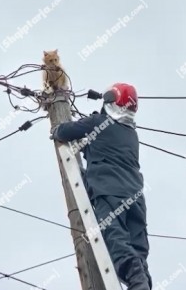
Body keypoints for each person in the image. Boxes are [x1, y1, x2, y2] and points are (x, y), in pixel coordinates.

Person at [51, 83, 152, 290]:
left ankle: (136, 280)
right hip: (136, 199)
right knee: (138, 250)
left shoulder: (99, 122)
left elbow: (66, 131)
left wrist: (56, 129)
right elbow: (105, 149)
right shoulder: (132, 135)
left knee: (116, 239)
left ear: (110, 101)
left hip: (109, 191)